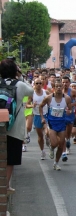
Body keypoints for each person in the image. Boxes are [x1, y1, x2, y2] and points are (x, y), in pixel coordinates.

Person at [1, 59, 34, 194]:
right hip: (15, 125)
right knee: (11, 158)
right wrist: (20, 76)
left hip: (0, 124)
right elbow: (31, 91)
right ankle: (6, 186)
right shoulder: (20, 85)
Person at [39, 80, 72, 171]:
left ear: (62, 88)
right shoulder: (49, 98)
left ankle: (56, 163)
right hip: (51, 123)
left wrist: (69, 111)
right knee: (54, 143)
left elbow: (70, 109)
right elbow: (40, 106)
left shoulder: (67, 98)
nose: (58, 88)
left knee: (61, 145)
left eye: (60, 86)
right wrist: (42, 117)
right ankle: (51, 147)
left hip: (61, 123)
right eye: (56, 86)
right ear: (53, 88)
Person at [32, 78, 51, 159]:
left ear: (42, 84)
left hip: (45, 114)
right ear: (34, 85)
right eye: (37, 83)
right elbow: (27, 105)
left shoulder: (45, 92)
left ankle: (47, 137)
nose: (39, 85)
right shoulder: (32, 94)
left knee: (47, 132)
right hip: (36, 115)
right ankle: (42, 151)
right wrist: (32, 105)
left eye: (40, 83)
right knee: (40, 136)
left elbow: (52, 98)